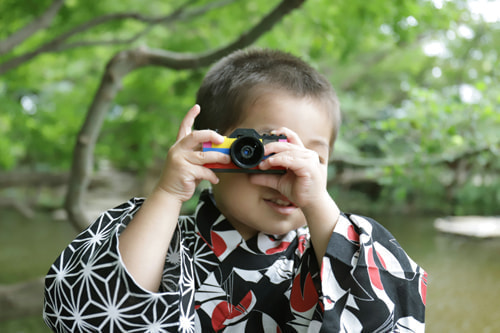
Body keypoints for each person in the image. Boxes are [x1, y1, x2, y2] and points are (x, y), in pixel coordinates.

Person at [43, 48, 427, 332]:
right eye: (265, 150)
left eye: (311, 157)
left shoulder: (337, 249)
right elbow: (93, 315)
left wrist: (319, 205)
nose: (288, 170)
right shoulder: (159, 237)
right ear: (210, 148)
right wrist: (168, 193)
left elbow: (393, 320)